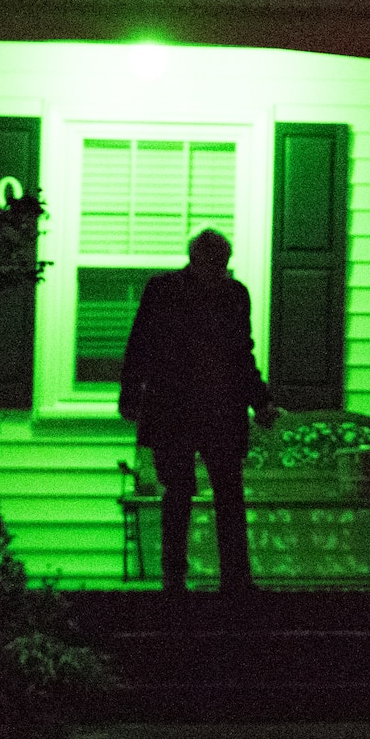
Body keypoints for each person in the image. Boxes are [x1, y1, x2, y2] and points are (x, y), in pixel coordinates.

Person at [119, 229, 278, 594]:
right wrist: (130, 394)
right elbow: (141, 343)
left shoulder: (204, 292)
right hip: (188, 409)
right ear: (197, 259)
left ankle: (219, 577)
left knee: (219, 493)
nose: (218, 270)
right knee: (188, 492)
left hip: (199, 408)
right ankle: (189, 577)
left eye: (221, 263)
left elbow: (241, 355)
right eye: (215, 262)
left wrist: (260, 399)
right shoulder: (182, 291)